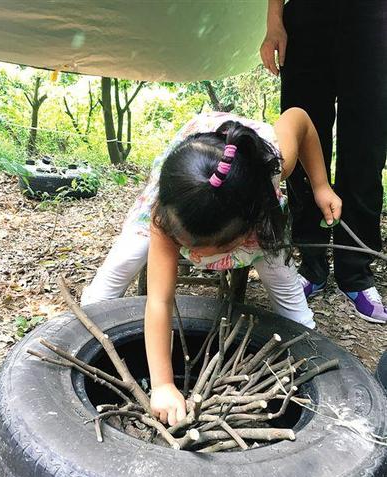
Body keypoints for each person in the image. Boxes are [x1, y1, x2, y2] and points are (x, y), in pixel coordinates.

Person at [81, 109, 342, 425]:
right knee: (122, 263)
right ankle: (88, 318)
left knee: (286, 286)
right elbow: (160, 301)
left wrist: (320, 185)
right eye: (184, 244)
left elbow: (299, 118)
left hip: (248, 190)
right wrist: (163, 384)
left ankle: (313, 349)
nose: (191, 255)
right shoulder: (167, 214)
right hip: (190, 175)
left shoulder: (276, 162)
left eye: (203, 250)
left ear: (244, 235)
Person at [260, 0, 387, 324]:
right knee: (302, 134)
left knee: (366, 146)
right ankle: (312, 263)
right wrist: (274, 21)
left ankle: (356, 272)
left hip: (373, 18)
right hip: (307, 16)